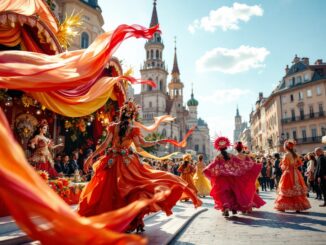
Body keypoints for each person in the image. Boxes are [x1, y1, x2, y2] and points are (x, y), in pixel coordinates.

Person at [78, 100, 201, 232]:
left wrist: (91, 157)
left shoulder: (114, 127)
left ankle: (115, 219)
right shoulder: (133, 129)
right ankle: (132, 219)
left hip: (111, 161)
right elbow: (140, 144)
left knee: (109, 192)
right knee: (134, 189)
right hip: (127, 162)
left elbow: (104, 145)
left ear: (121, 114)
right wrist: (157, 141)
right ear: (132, 116)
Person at [204, 137, 264, 217]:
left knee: (223, 194)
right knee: (233, 193)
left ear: (218, 148)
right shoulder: (231, 155)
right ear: (226, 146)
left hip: (221, 178)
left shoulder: (218, 157)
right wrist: (252, 165)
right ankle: (233, 208)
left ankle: (226, 208)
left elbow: (213, 166)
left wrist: (206, 169)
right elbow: (240, 163)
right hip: (232, 177)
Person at [274, 140, 311, 212]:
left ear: (286, 147)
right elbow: (300, 163)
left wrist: (281, 166)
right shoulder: (295, 154)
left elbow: (284, 165)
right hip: (296, 172)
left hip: (288, 172)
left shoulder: (286, 155)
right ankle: (298, 207)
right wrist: (294, 166)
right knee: (296, 189)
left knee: (286, 189)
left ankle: (283, 207)